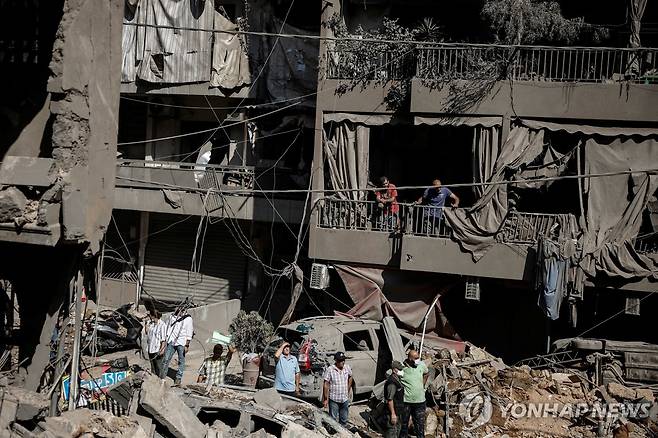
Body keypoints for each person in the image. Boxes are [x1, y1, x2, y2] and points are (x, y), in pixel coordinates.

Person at [399, 348, 429, 438]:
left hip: (420, 401)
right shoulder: (402, 368)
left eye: (418, 357)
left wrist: (422, 386)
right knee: (403, 425)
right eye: (415, 358)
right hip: (406, 401)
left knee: (420, 426)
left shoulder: (421, 365)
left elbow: (426, 373)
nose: (418, 360)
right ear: (410, 359)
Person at [159, 309, 194, 385]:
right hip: (172, 341)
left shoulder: (188, 319)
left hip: (182, 342)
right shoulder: (172, 317)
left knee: (181, 361)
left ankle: (178, 378)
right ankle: (162, 377)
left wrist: (187, 345)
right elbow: (168, 327)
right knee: (166, 359)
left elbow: (189, 332)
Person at [322, 351, 353, 426]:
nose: (342, 362)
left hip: (344, 399)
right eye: (340, 360)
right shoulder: (330, 369)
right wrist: (325, 399)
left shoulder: (347, 368)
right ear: (336, 361)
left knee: (344, 419)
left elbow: (350, 377)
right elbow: (326, 383)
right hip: (334, 399)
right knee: (332, 420)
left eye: (343, 360)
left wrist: (348, 388)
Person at [384, 360, 405, 438]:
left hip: (398, 411)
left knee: (397, 432)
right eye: (400, 369)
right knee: (392, 432)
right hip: (393, 413)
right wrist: (393, 414)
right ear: (394, 370)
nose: (401, 371)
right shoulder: (392, 383)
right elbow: (390, 399)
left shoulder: (397, 380)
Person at [145, 310, 166, 376]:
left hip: (157, 349)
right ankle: (154, 380)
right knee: (153, 367)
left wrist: (162, 349)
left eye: (150, 316)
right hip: (151, 348)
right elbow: (146, 332)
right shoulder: (151, 324)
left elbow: (163, 339)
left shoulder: (162, 325)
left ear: (154, 316)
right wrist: (146, 324)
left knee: (159, 367)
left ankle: (162, 381)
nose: (150, 317)